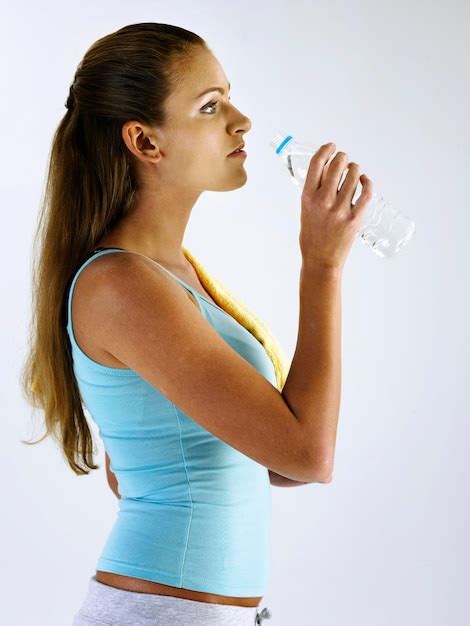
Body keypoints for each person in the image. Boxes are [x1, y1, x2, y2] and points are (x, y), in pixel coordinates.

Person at [21, 20, 373, 626]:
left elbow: (266, 458)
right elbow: (310, 454)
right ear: (146, 142)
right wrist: (322, 267)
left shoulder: (173, 274)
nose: (242, 122)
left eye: (229, 97)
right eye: (211, 107)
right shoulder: (121, 285)